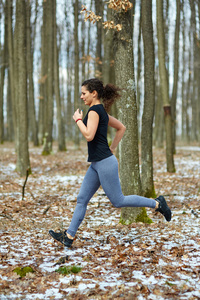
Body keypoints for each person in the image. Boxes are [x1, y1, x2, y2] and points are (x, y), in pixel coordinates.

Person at [49, 78, 171, 248]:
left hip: (104, 163)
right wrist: (112, 148)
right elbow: (121, 127)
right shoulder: (101, 111)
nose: (81, 97)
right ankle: (69, 237)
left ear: (94, 93)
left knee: (118, 200)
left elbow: (89, 135)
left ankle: (158, 203)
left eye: (84, 93)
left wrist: (78, 120)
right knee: (82, 199)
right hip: (97, 163)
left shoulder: (94, 112)